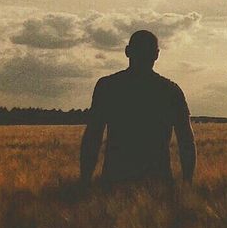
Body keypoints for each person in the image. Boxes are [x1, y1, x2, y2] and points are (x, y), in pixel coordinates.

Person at [80, 29, 196, 186]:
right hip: (160, 185)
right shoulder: (170, 91)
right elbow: (186, 141)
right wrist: (188, 183)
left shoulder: (107, 87)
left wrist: (84, 181)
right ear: (156, 55)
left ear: (127, 51)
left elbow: (93, 137)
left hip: (114, 182)